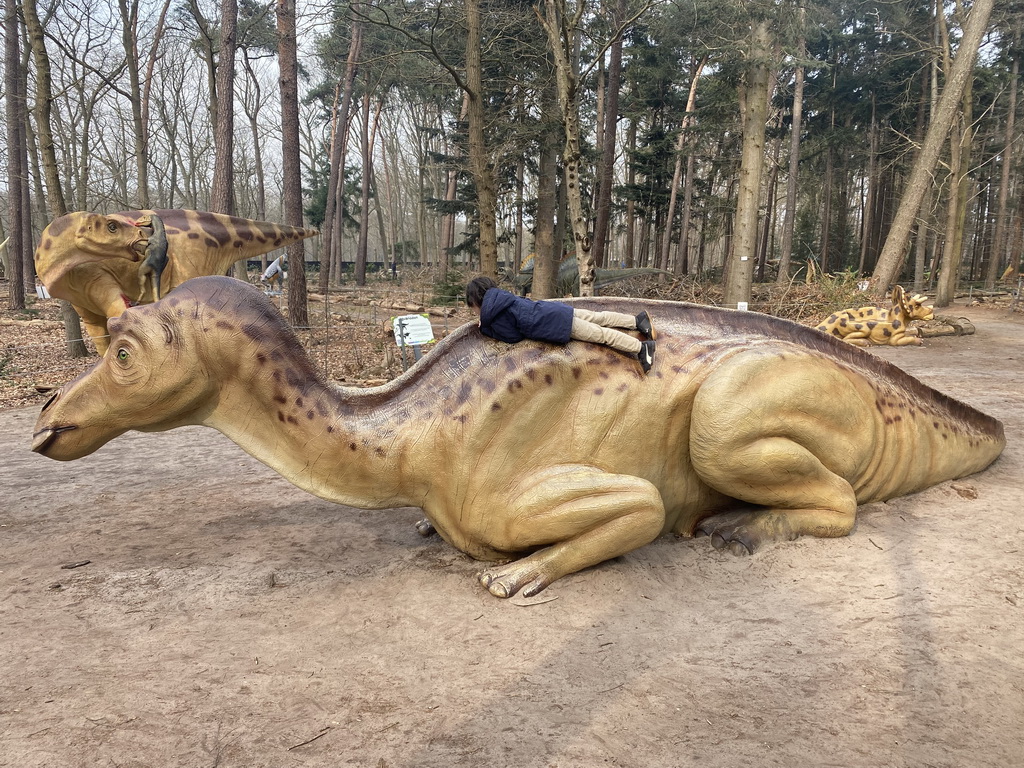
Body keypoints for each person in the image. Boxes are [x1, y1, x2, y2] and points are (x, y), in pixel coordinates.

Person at [465, 276, 656, 373]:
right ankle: (637, 321)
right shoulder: (503, 297)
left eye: (473, 307)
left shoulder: (494, 316)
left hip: (557, 324)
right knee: (599, 317)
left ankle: (641, 348)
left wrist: (486, 327)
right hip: (557, 310)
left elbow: (513, 338)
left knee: (601, 335)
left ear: (477, 301)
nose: (474, 311)